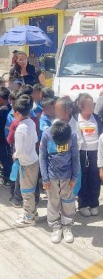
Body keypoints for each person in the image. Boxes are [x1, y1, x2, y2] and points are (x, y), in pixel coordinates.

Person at [40, 119, 79, 244]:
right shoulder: (46, 135)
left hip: (67, 176)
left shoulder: (72, 135)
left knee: (68, 202)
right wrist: (45, 178)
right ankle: (56, 227)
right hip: (51, 176)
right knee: (53, 201)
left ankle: (67, 226)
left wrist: (74, 177)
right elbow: (42, 156)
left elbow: (75, 156)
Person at [12, 96, 40, 227]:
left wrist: (15, 156)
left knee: (26, 191)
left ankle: (29, 217)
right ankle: (32, 212)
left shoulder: (20, 129)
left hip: (26, 164)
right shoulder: (32, 122)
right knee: (32, 189)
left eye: (14, 112)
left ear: (17, 113)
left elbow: (19, 150)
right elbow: (35, 141)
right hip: (34, 160)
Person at [76, 94, 101, 216]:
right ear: (81, 106)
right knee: (83, 179)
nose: (92, 107)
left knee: (94, 179)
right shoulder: (75, 119)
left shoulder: (96, 118)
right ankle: (83, 204)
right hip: (81, 153)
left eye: (93, 105)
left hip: (95, 152)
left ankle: (94, 203)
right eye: (89, 105)